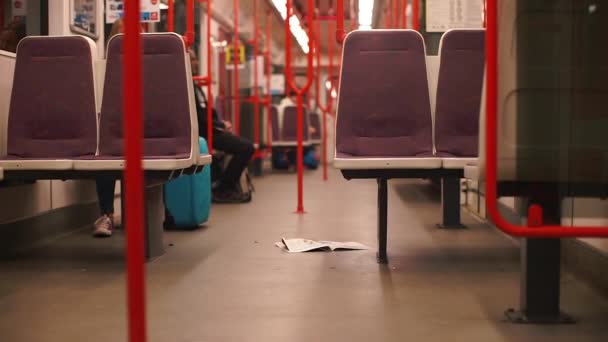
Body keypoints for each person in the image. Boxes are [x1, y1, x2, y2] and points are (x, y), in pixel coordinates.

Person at [189, 49, 254, 203]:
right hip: (204, 132)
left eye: (195, 59)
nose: (196, 62)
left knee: (242, 146)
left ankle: (225, 183)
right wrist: (220, 125)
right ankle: (225, 186)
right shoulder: (187, 86)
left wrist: (221, 124)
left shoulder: (194, 84)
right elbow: (200, 118)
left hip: (211, 128)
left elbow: (206, 112)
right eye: (192, 59)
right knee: (246, 148)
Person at [93, 19, 125, 237]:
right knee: (104, 159)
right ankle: (106, 214)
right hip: (112, 130)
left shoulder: (149, 69)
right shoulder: (101, 69)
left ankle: (152, 212)